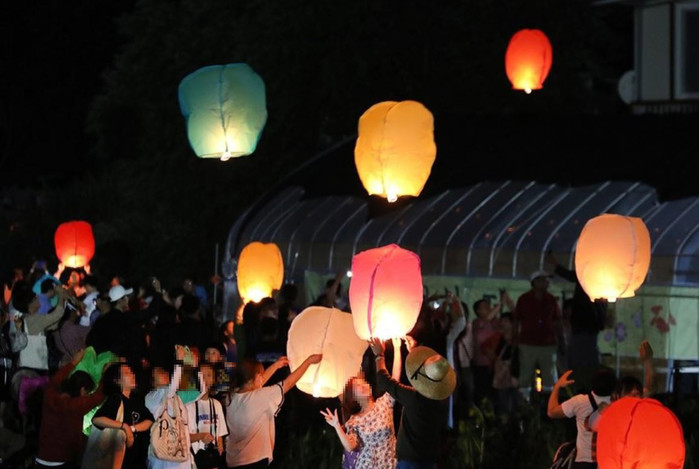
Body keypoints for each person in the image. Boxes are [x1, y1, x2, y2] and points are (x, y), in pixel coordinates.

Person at [370, 337, 456, 469]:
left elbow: (384, 381)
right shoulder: (441, 401)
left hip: (410, 463)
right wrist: (413, 351)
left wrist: (379, 355)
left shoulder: (415, 398)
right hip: (429, 461)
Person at [225, 353, 322, 468]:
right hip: (254, 460)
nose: (262, 378)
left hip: (233, 461)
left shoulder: (232, 396)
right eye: (260, 375)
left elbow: (256, 385)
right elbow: (288, 383)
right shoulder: (259, 398)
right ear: (253, 379)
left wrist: (276, 365)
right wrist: (308, 361)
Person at [320, 338, 402, 469]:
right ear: (353, 397)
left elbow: (394, 380)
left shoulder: (384, 403)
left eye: (363, 383)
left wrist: (397, 348)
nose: (363, 385)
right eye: (357, 386)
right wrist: (337, 426)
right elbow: (350, 446)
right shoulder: (354, 421)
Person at [546, 253, 608, 392]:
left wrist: (555, 265)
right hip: (587, 323)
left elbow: (571, 276)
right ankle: (583, 384)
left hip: (586, 323)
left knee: (582, 354)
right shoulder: (599, 278)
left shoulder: (591, 278)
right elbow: (571, 276)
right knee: (583, 353)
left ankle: (583, 384)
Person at [35, 348, 105, 468]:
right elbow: (99, 397)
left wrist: (73, 362)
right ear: (82, 390)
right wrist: (105, 375)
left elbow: (55, 381)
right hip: (61, 461)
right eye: (88, 393)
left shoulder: (50, 396)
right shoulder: (75, 406)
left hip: (40, 459)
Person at [145, 345, 203, 469]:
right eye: (160, 373)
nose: (165, 374)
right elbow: (170, 390)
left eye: (165, 371)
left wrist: (195, 368)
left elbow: (201, 391)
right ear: (152, 381)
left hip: (182, 455)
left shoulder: (177, 397)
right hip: (162, 456)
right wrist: (179, 362)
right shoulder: (152, 397)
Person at [547, 367, 617, 468]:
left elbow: (551, 412)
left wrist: (557, 386)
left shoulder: (580, 402)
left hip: (583, 462)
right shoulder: (619, 404)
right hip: (609, 462)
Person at [89, 362, 154, 469]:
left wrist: (131, 429)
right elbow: (97, 419)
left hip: (136, 460)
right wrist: (124, 426)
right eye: (127, 373)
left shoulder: (136, 400)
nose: (132, 375)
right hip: (119, 459)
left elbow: (149, 420)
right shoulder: (116, 399)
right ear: (117, 380)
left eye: (131, 372)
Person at [514, 270, 562, 395]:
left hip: (548, 343)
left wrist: (560, 339)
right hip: (528, 342)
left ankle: (546, 403)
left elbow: (557, 320)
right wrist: (515, 338)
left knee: (549, 376)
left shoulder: (551, 299)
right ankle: (525, 404)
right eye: (543, 280)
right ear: (534, 283)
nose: (546, 283)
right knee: (525, 375)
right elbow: (516, 320)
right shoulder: (524, 299)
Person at [187, 361, 228, 468]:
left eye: (209, 375)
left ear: (214, 379)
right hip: (193, 459)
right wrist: (201, 436)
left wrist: (219, 446)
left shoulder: (217, 404)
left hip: (212, 459)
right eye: (201, 375)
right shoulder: (188, 405)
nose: (205, 379)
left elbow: (220, 434)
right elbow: (184, 437)